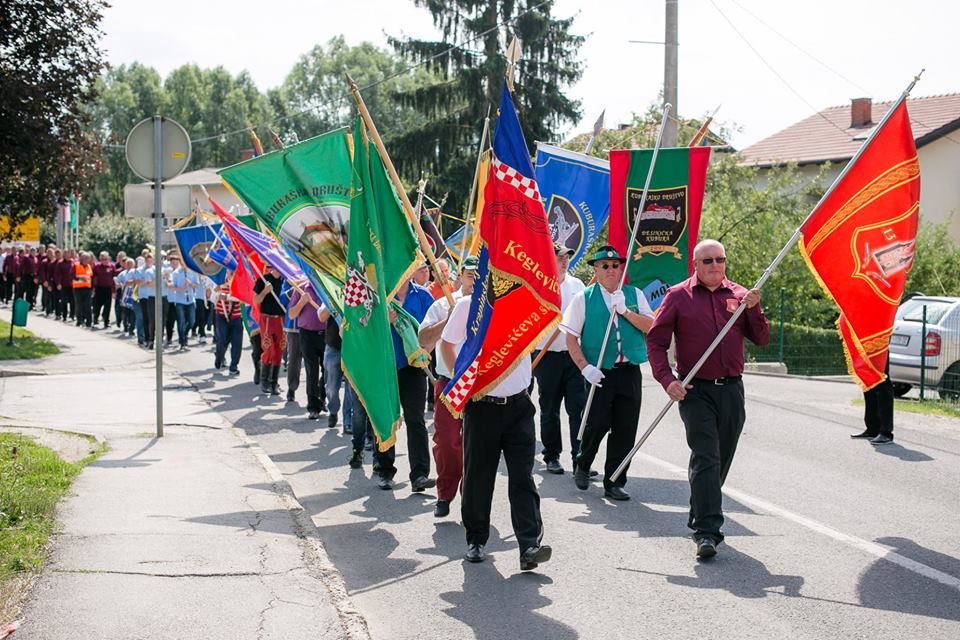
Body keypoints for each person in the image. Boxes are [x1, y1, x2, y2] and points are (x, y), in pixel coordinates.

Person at [646, 239, 769, 560]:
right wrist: (667, 379)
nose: (716, 265)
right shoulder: (678, 296)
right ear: (695, 265)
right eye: (708, 260)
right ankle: (707, 531)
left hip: (732, 390)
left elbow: (761, 338)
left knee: (721, 457)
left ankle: (700, 508)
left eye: (720, 259)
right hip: (695, 390)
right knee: (706, 456)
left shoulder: (741, 295)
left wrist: (754, 310)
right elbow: (656, 342)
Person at [440, 289, 552, 571]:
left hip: (519, 406)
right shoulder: (469, 305)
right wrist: (462, 380)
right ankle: (476, 540)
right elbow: (447, 344)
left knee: (523, 477)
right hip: (482, 406)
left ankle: (529, 545)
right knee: (478, 477)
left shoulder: (524, 303)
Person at [561, 245, 653, 500]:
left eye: (615, 265)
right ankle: (583, 463)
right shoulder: (584, 298)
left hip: (629, 370)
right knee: (596, 424)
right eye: (605, 266)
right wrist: (585, 367)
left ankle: (614, 481)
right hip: (599, 372)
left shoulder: (634, 294)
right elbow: (571, 338)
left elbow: (651, 326)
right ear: (596, 270)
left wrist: (626, 311)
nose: (611, 270)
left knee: (626, 428)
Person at [419, 256, 478, 517]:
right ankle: (445, 492)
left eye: (479, 275)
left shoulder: (490, 306)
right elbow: (423, 339)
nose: (474, 281)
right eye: (470, 275)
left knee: (476, 444)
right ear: (460, 276)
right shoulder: (443, 304)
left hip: (480, 385)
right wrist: (448, 320)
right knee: (446, 441)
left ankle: (471, 496)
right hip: (449, 383)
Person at [373, 275, 435, 492]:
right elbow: (366, 327)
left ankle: (419, 475)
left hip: (413, 367)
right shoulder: (379, 296)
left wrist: (426, 350)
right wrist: (383, 320)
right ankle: (384, 470)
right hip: (385, 365)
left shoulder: (423, 296)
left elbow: (433, 328)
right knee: (386, 418)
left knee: (416, 420)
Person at [534, 243, 587, 475]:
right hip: (547, 355)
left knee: (578, 408)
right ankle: (552, 455)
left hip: (574, 356)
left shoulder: (578, 286)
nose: (565, 261)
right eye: (560, 257)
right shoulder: (538, 285)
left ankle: (580, 459)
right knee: (550, 408)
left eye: (567, 257)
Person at [288, 283, 327, 420]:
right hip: (307, 334)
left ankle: (322, 396)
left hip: (326, 334)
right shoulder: (301, 289)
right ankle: (313, 406)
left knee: (328, 369)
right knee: (311, 370)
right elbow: (291, 314)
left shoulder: (326, 285)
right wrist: (302, 302)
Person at [253, 264, 286, 396]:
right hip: (267, 318)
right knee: (268, 348)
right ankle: (264, 381)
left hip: (281, 319)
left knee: (279, 350)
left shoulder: (286, 281)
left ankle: (274, 383)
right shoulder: (263, 279)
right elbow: (256, 300)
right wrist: (265, 292)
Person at [851, 357, 895, 445]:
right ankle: (873, 429)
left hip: (878, 349)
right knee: (868, 381)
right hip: (866, 349)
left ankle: (886, 432)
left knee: (882, 381)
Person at [214, 281, 243, 375]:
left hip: (236, 316)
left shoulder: (240, 280)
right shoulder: (218, 280)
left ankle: (233, 367)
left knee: (236, 343)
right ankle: (219, 357)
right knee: (222, 340)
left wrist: (227, 297)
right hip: (221, 315)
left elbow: (242, 297)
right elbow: (211, 297)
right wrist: (215, 292)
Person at [91, 251, 117, 329]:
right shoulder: (97, 266)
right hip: (99, 288)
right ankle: (95, 320)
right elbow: (92, 277)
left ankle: (106, 322)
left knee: (107, 306)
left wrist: (114, 291)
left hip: (108, 288)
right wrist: (93, 288)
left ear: (108, 258)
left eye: (105, 259)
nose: (104, 261)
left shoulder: (112, 266)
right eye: (102, 259)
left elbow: (114, 278)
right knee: (97, 305)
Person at [72, 251, 94, 328]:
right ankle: (79, 321)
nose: (87, 260)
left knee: (88, 305)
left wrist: (92, 288)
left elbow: (91, 277)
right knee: (79, 305)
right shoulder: (76, 265)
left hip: (87, 288)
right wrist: (79, 278)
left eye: (88, 258)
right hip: (78, 288)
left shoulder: (89, 266)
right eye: (85, 258)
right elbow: (71, 275)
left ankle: (89, 322)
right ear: (81, 258)